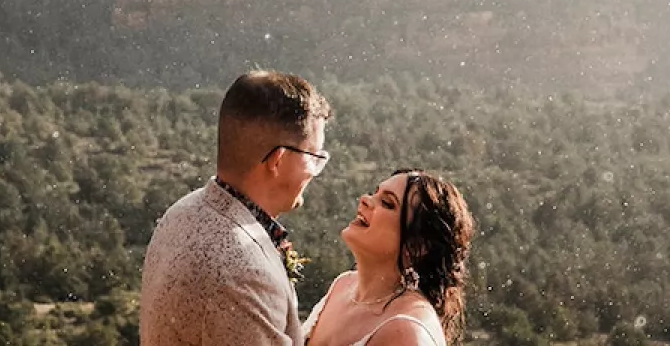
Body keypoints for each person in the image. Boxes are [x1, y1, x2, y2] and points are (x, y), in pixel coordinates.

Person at [141, 71, 334, 346]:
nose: (315, 172)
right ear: (278, 161)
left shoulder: (180, 212)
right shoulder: (244, 271)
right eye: (314, 158)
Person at [299, 170, 475, 346]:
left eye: (387, 203)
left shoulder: (406, 332)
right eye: (374, 193)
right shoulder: (342, 285)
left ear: (417, 245)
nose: (365, 199)